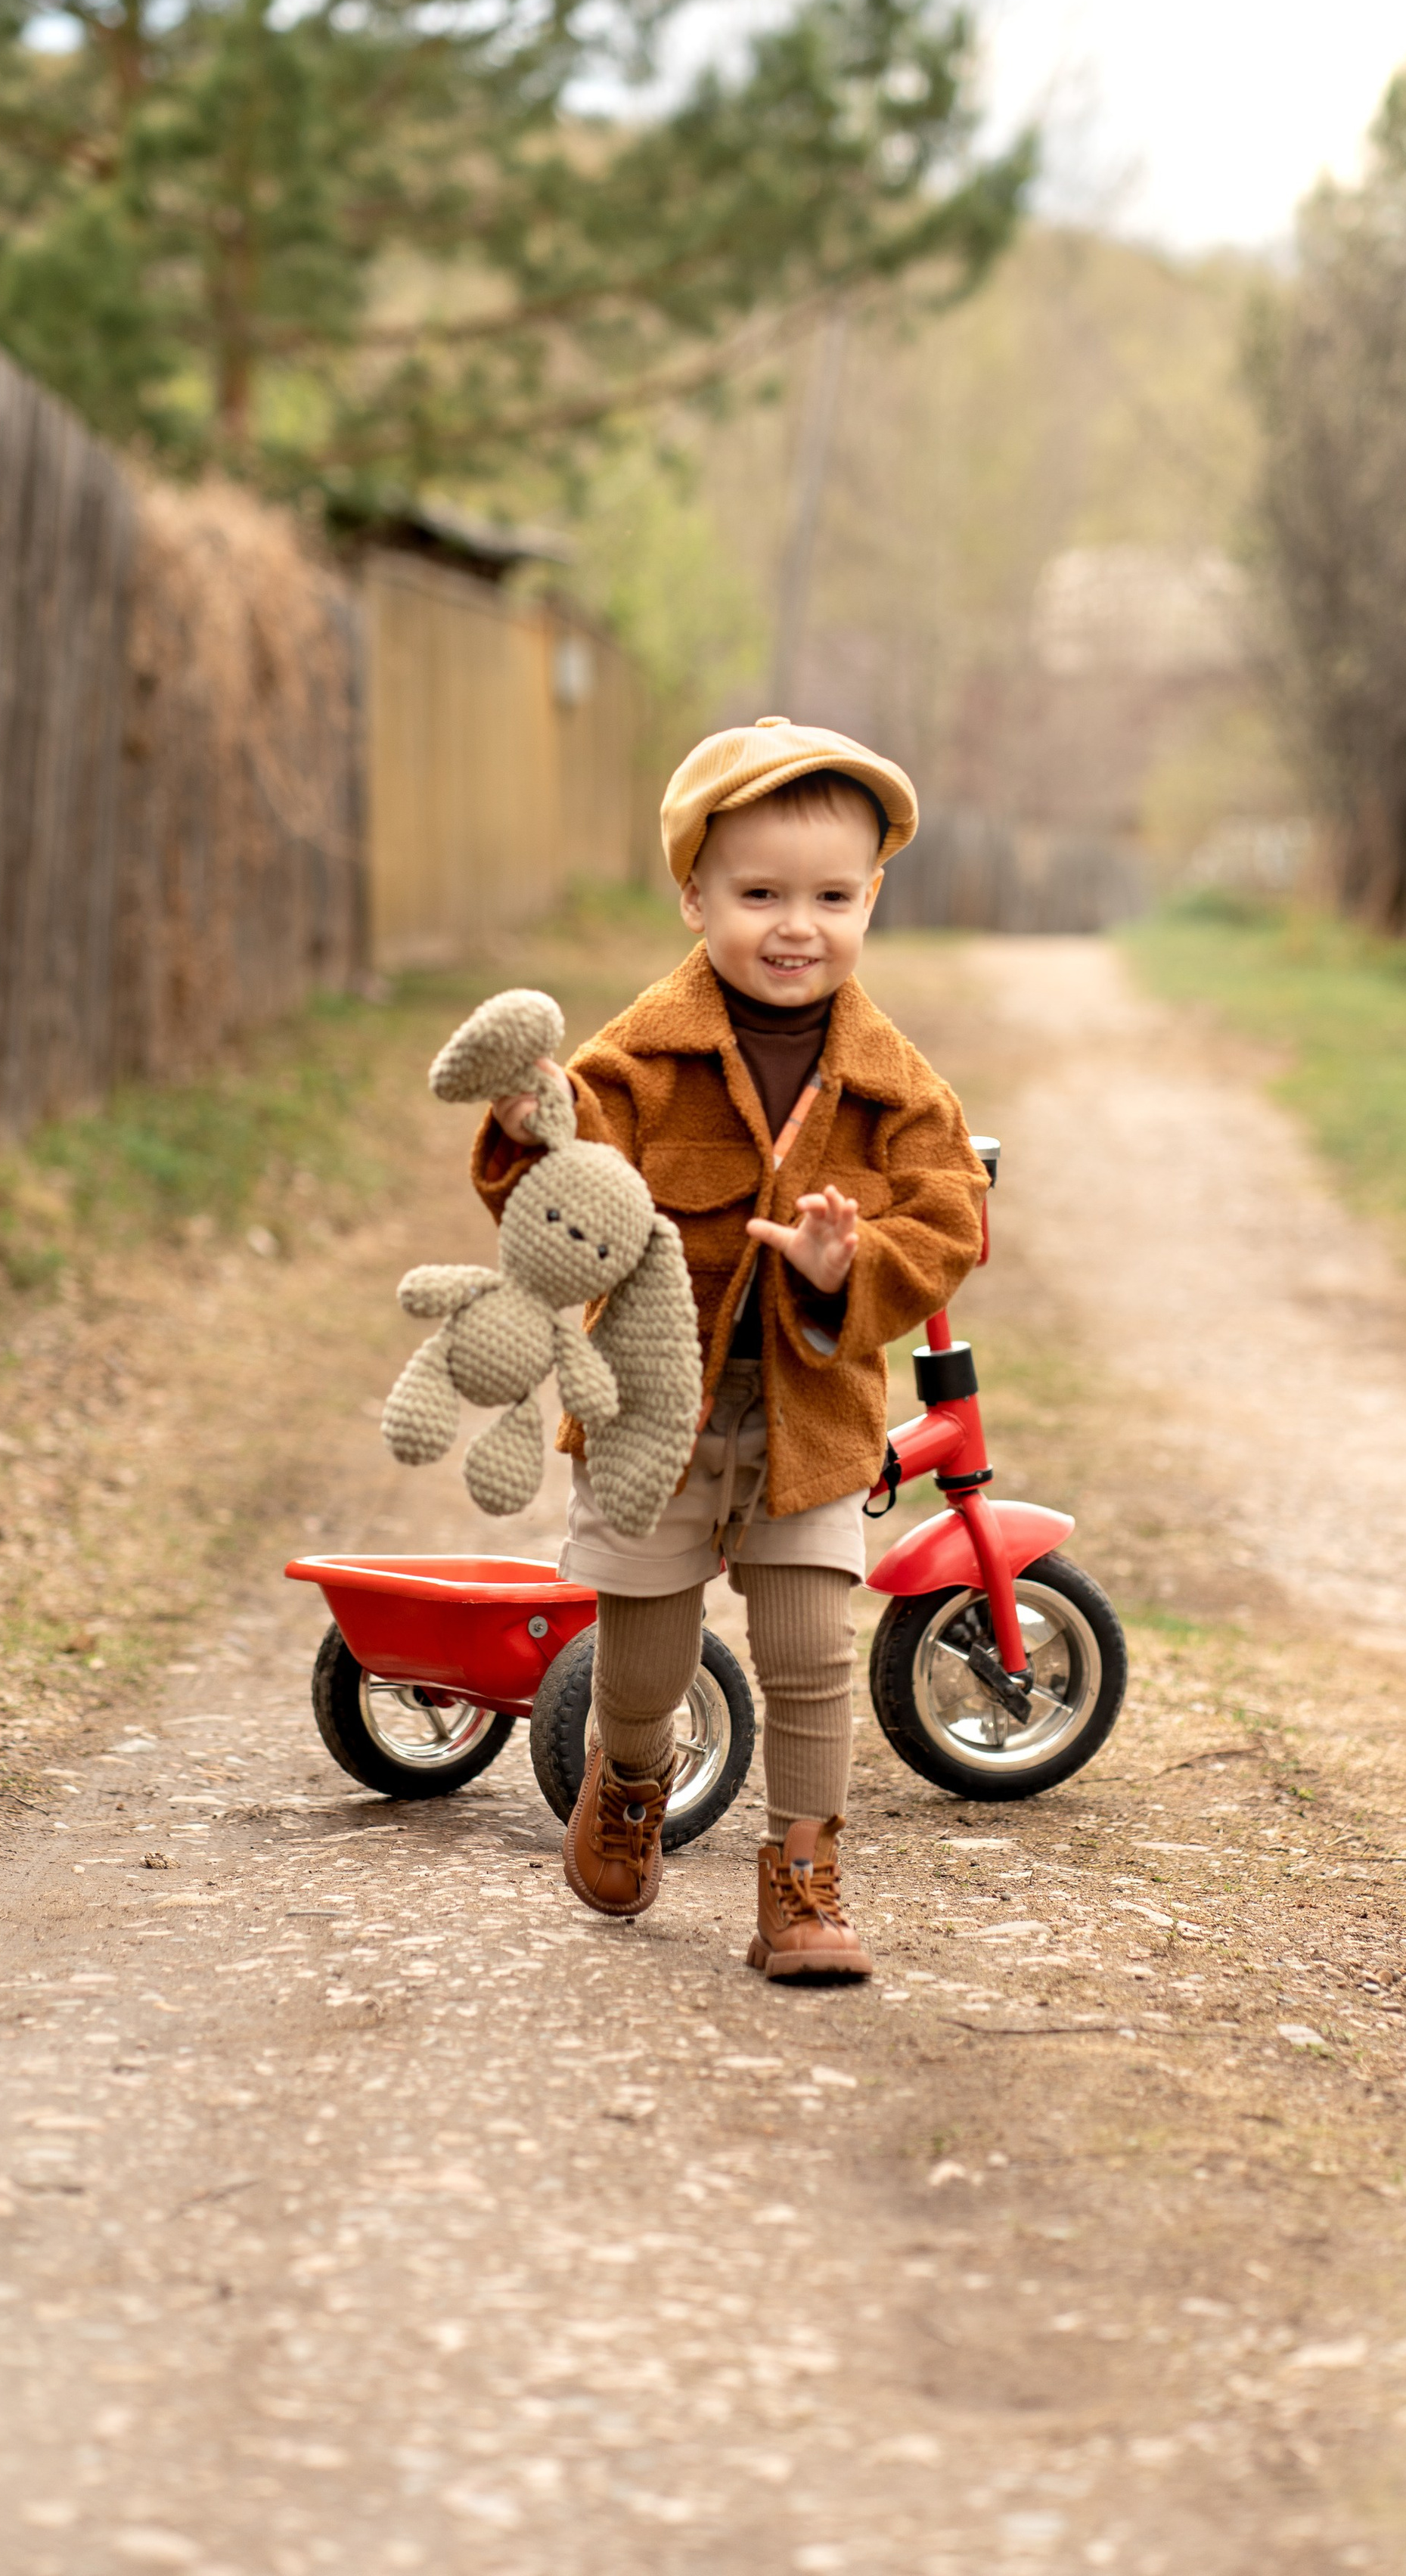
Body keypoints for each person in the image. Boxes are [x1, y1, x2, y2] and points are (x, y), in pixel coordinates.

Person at [473, 718, 986, 1980]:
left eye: (830, 895)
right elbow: (567, 1182)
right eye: (760, 893)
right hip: (660, 1411)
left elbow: (948, 1216)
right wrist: (529, 1127)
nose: (795, 925)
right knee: (644, 1659)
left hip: (813, 1412)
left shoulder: (893, 1083)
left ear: (870, 899)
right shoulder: (641, 1059)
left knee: (812, 1649)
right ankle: (629, 1776)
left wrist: (845, 1270)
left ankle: (801, 1883)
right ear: (695, 895)